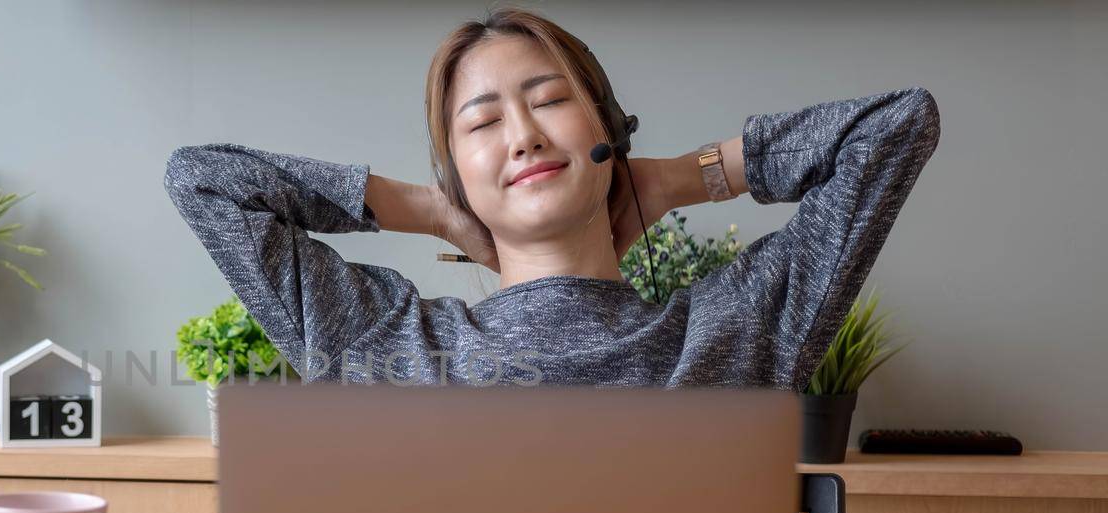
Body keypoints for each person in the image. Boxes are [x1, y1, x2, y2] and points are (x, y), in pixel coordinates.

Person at [162, 7, 941, 389]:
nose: (524, 136)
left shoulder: (734, 331)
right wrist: (432, 208)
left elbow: (895, 127)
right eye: (483, 121)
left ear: (607, 128)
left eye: (550, 100)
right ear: (459, 171)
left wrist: (673, 178)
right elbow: (203, 181)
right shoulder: (381, 342)